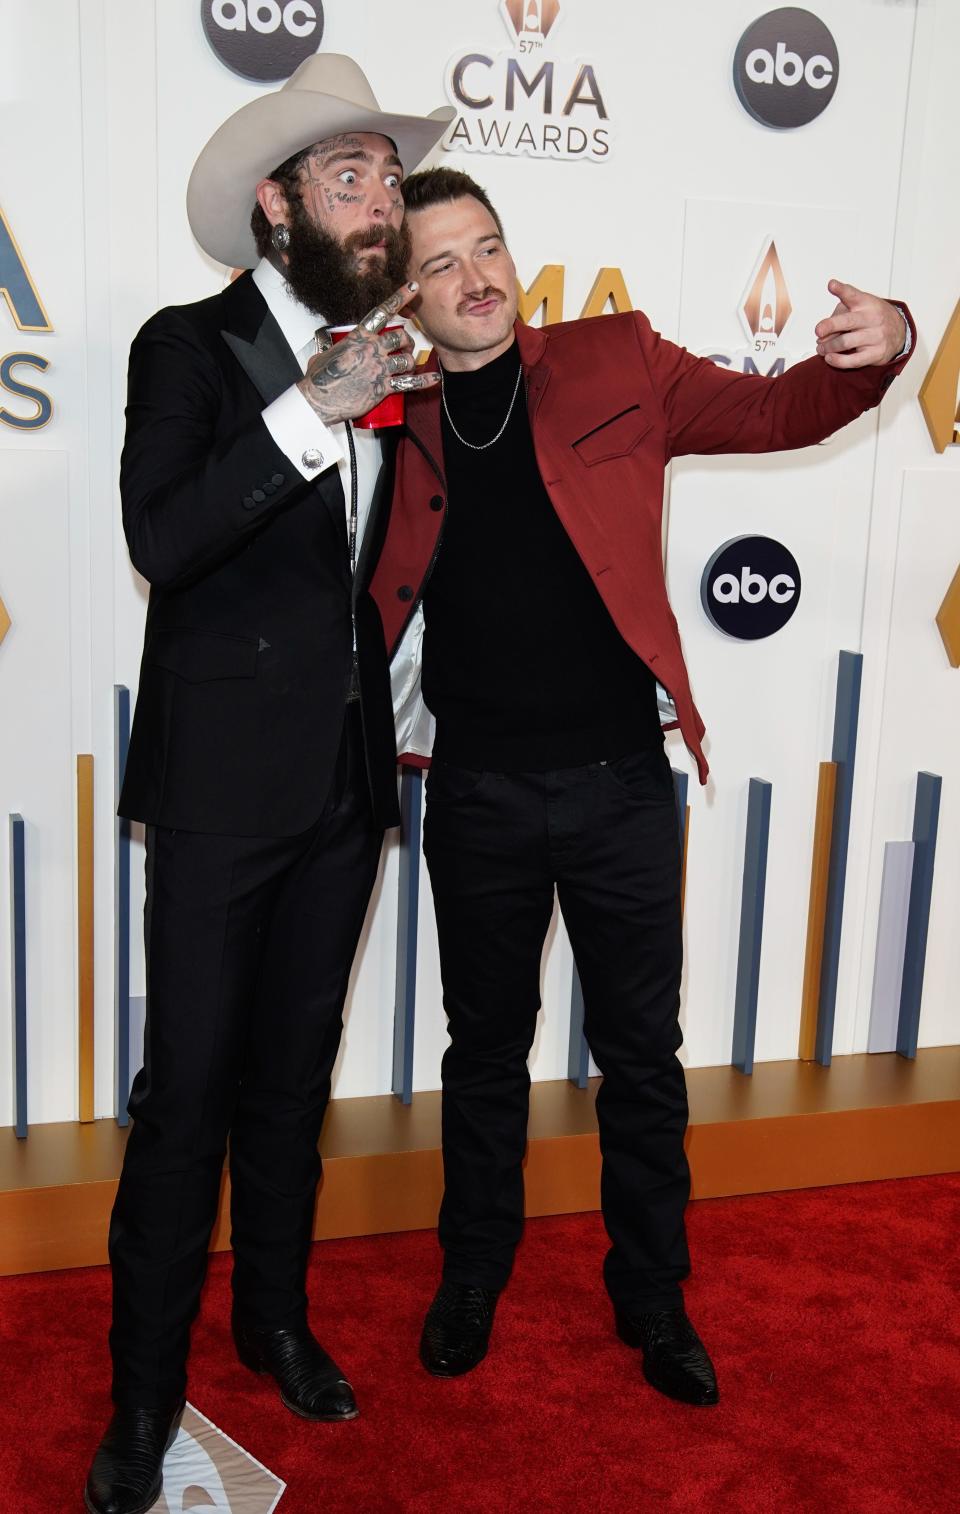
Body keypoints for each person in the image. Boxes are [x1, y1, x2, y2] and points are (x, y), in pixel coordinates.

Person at [370, 167, 914, 1406]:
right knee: (485, 1054)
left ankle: (654, 1292)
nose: (480, 277)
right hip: (477, 795)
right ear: (407, 293)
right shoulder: (383, 419)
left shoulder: (617, 358)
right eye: (444, 263)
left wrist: (883, 354)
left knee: (644, 1055)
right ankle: (472, 1273)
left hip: (621, 784)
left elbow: (780, 414)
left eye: (491, 246)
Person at [84, 57, 449, 1514]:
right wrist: (312, 408)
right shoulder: (188, 347)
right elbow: (164, 538)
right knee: (187, 1104)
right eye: (351, 177)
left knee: (294, 1089)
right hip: (224, 790)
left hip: (347, 792)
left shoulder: (403, 352)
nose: (382, 203)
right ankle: (140, 1399)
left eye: (388, 178)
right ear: (274, 203)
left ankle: (275, 1319)